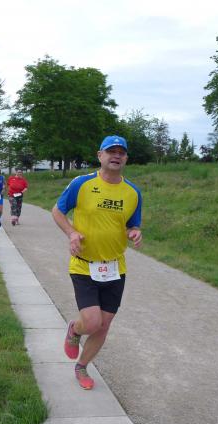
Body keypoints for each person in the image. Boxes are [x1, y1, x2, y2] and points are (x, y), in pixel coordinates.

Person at [52, 135, 142, 390]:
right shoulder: (82, 184)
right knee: (92, 323)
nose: (116, 156)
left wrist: (135, 232)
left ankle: (82, 366)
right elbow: (57, 211)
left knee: (104, 325)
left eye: (121, 152)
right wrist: (72, 233)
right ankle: (75, 330)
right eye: (111, 151)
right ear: (100, 155)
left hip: (115, 267)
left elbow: (132, 224)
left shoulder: (133, 192)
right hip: (84, 264)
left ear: (126, 158)